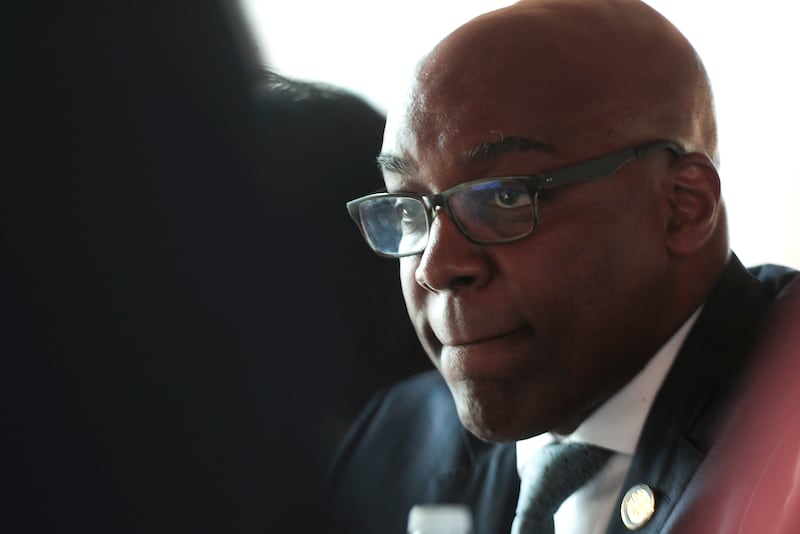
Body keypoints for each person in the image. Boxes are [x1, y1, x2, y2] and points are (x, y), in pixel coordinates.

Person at [321, 0, 798, 532]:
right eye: (409, 207)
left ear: (682, 207)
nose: (437, 267)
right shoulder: (398, 441)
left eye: (505, 198)